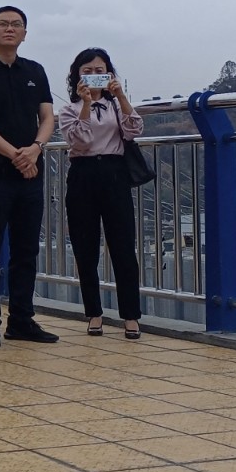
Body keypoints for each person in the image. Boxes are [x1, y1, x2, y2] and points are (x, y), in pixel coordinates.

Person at [0, 6, 59, 348]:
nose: (10, 29)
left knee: (26, 249)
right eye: (3, 24)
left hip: (30, 174)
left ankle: (21, 319)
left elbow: (47, 117)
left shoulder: (35, 71)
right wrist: (16, 155)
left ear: (25, 33)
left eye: (16, 24)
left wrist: (35, 148)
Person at [59, 48, 145, 338]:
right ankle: (94, 313)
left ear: (109, 74)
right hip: (83, 174)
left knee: (123, 245)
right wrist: (86, 104)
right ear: (77, 75)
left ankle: (131, 315)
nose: (94, 76)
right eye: (88, 71)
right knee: (85, 247)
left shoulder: (115, 106)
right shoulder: (69, 110)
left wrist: (120, 96)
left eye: (100, 71)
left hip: (114, 173)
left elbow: (134, 130)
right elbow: (80, 141)